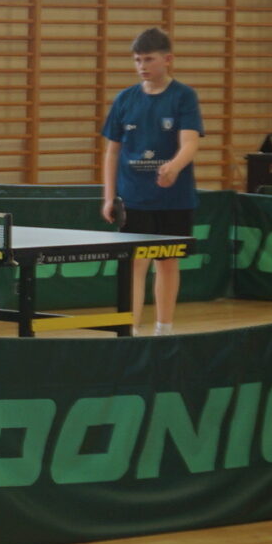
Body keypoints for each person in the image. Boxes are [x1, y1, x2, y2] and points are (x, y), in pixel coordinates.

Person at [99, 28, 204, 334]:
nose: (142, 66)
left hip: (174, 199)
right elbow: (112, 152)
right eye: (137, 60)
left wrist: (174, 166)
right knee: (135, 264)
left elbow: (190, 142)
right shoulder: (125, 99)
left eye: (148, 59)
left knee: (167, 263)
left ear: (167, 59)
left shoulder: (183, 96)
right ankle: (130, 330)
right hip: (134, 197)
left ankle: (163, 329)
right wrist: (109, 197)